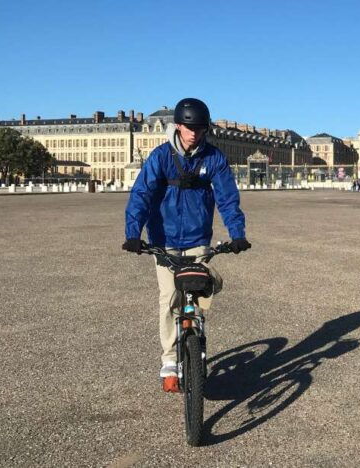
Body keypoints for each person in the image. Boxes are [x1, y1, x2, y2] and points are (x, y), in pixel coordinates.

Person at [122, 97, 251, 391]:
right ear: (178, 126)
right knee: (169, 297)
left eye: (200, 128)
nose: (195, 133)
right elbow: (141, 194)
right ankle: (170, 359)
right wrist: (133, 234)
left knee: (199, 292)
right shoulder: (160, 157)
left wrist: (237, 234)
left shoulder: (214, 158)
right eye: (190, 127)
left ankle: (195, 337)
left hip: (197, 237)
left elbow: (227, 198)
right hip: (164, 239)